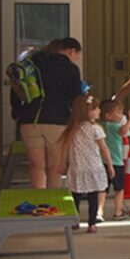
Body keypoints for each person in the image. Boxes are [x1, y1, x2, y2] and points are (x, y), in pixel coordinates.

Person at [18, 38, 85, 189]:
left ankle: (38, 198)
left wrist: (17, 113)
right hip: (57, 120)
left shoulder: (32, 63)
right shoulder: (69, 68)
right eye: (76, 56)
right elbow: (75, 95)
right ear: (71, 51)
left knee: (36, 165)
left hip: (30, 119)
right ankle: (51, 201)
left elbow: (17, 89)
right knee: (55, 166)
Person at [51, 94, 112, 232]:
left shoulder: (72, 129)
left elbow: (65, 147)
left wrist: (62, 162)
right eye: (96, 109)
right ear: (87, 111)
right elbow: (104, 148)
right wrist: (110, 165)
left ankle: (75, 220)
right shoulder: (96, 129)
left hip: (77, 168)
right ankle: (92, 223)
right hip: (94, 167)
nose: (99, 111)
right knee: (93, 197)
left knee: (75, 196)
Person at [101, 96, 130, 219]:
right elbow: (124, 131)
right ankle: (118, 211)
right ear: (108, 115)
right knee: (119, 189)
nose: (121, 115)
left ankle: (99, 212)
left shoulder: (100, 126)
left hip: (102, 162)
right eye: (118, 112)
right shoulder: (114, 126)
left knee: (102, 189)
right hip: (116, 162)